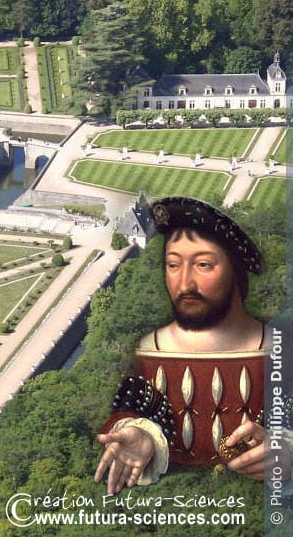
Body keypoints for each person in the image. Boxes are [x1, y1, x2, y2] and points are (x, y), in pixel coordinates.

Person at [94, 196, 276, 494]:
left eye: (203, 265)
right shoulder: (147, 352)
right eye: (173, 265)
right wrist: (141, 436)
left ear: (235, 271)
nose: (185, 284)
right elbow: (133, 409)